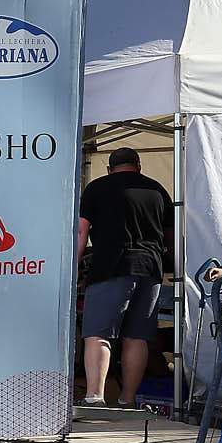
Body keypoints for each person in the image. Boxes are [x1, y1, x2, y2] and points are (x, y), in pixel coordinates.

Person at [76, 148, 174, 407]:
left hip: (111, 265)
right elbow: (171, 238)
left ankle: (95, 397)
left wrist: (74, 266)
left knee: (98, 334)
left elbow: (81, 231)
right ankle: (127, 400)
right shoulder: (158, 190)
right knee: (137, 337)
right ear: (138, 166)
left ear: (109, 168)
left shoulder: (96, 188)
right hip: (150, 268)